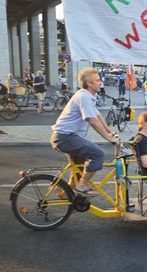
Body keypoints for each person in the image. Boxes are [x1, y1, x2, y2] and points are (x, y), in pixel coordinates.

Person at [50, 67, 119, 196]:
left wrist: (110, 132)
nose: (101, 83)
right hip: (65, 137)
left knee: (79, 169)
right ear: (89, 83)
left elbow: (98, 116)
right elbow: (92, 121)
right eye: (98, 80)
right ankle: (82, 185)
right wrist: (108, 139)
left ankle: (68, 194)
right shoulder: (83, 96)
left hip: (68, 137)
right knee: (98, 154)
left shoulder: (89, 96)